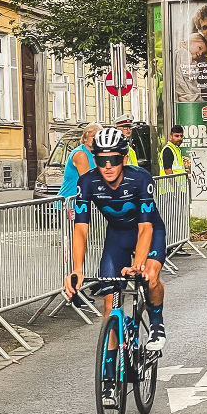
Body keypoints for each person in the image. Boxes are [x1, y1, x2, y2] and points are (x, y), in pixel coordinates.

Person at [64, 127, 168, 368]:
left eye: (113, 159)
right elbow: (80, 229)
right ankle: (110, 375)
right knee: (110, 308)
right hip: (117, 237)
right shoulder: (87, 181)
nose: (107, 166)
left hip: (149, 231)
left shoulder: (139, 178)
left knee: (150, 276)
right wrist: (76, 269)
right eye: (101, 160)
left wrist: (138, 263)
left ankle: (157, 324)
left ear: (123, 159)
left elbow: (145, 228)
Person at [59, 123, 101, 197]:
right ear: (85, 138)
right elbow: (88, 181)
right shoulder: (80, 154)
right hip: (68, 203)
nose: (96, 139)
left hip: (81, 202)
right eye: (93, 136)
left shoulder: (96, 154)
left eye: (99, 136)